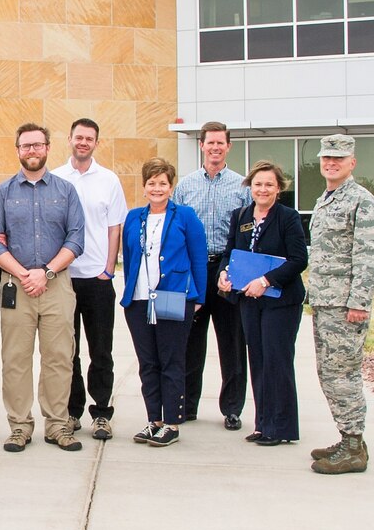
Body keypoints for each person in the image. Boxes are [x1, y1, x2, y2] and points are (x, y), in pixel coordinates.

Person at [0, 123, 85, 453]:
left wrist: (47, 272)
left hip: (56, 284)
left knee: (59, 357)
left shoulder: (66, 191)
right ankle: (20, 426)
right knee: (15, 359)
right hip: (16, 286)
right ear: (17, 150)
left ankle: (57, 424)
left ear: (47, 148)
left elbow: (76, 238)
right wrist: (25, 274)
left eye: (38, 145)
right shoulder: (3, 193)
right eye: (25, 146)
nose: (32, 151)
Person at [306, 134, 374, 475]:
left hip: (345, 307)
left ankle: (354, 446)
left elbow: (369, 257)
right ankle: (349, 437)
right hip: (326, 303)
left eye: (338, 158)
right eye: (326, 158)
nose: (331, 163)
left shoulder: (361, 201)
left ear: (352, 162)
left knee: (343, 375)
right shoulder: (327, 198)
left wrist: (359, 302)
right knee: (329, 373)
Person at [218, 161, 307, 446]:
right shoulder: (241, 215)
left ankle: (281, 428)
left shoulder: (287, 217)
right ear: (250, 187)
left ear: (278, 188)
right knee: (256, 360)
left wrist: (266, 281)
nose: (263, 189)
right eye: (258, 184)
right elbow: (230, 251)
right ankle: (263, 423)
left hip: (280, 302)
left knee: (276, 361)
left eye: (269, 184)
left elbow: (298, 260)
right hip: (249, 301)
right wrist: (223, 273)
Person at [122, 158, 207, 448]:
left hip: (173, 298)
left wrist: (198, 298)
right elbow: (130, 257)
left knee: (171, 361)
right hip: (139, 301)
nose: (157, 188)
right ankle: (153, 420)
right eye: (151, 183)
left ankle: (172, 422)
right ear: (144, 187)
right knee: (148, 363)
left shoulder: (185, 216)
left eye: (162, 183)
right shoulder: (134, 217)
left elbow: (198, 258)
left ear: (171, 186)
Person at [51, 118, 128, 441]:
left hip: (97, 278)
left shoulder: (108, 180)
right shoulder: (54, 178)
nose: (83, 142)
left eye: (89, 138)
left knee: (101, 350)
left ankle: (101, 413)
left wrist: (108, 269)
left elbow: (115, 228)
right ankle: (72, 411)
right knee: (67, 350)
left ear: (97, 142)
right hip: (64, 279)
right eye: (78, 137)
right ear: (69, 139)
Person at [172, 121, 251, 430]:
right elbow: (175, 231)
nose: (215, 148)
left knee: (232, 342)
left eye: (221, 143)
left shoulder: (242, 186)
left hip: (228, 269)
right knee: (190, 342)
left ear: (228, 146)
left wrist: (236, 270)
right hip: (195, 269)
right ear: (201, 145)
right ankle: (187, 405)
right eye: (210, 143)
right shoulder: (186, 185)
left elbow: (247, 235)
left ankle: (232, 408)